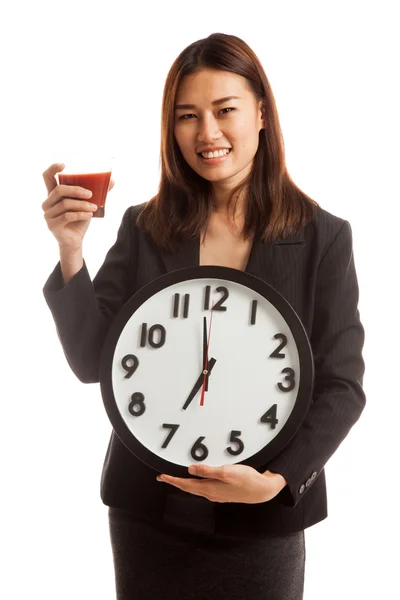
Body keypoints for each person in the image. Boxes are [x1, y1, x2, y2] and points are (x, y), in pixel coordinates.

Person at [42, 32, 365, 600]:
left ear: (261, 112)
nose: (207, 133)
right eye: (187, 116)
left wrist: (276, 482)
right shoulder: (144, 226)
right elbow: (95, 362)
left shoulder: (323, 237)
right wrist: (72, 251)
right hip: (149, 512)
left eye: (225, 110)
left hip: (262, 518)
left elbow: (342, 386)